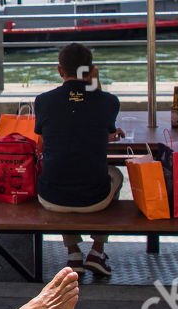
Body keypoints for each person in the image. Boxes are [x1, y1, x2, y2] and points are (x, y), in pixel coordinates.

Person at [33, 43, 126, 277]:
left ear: (59, 70)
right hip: (94, 198)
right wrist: (94, 80)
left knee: (63, 169)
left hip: (50, 196)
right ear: (91, 70)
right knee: (116, 174)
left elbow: (41, 145)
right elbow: (106, 128)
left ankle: (73, 253)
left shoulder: (43, 101)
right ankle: (97, 251)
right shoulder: (108, 102)